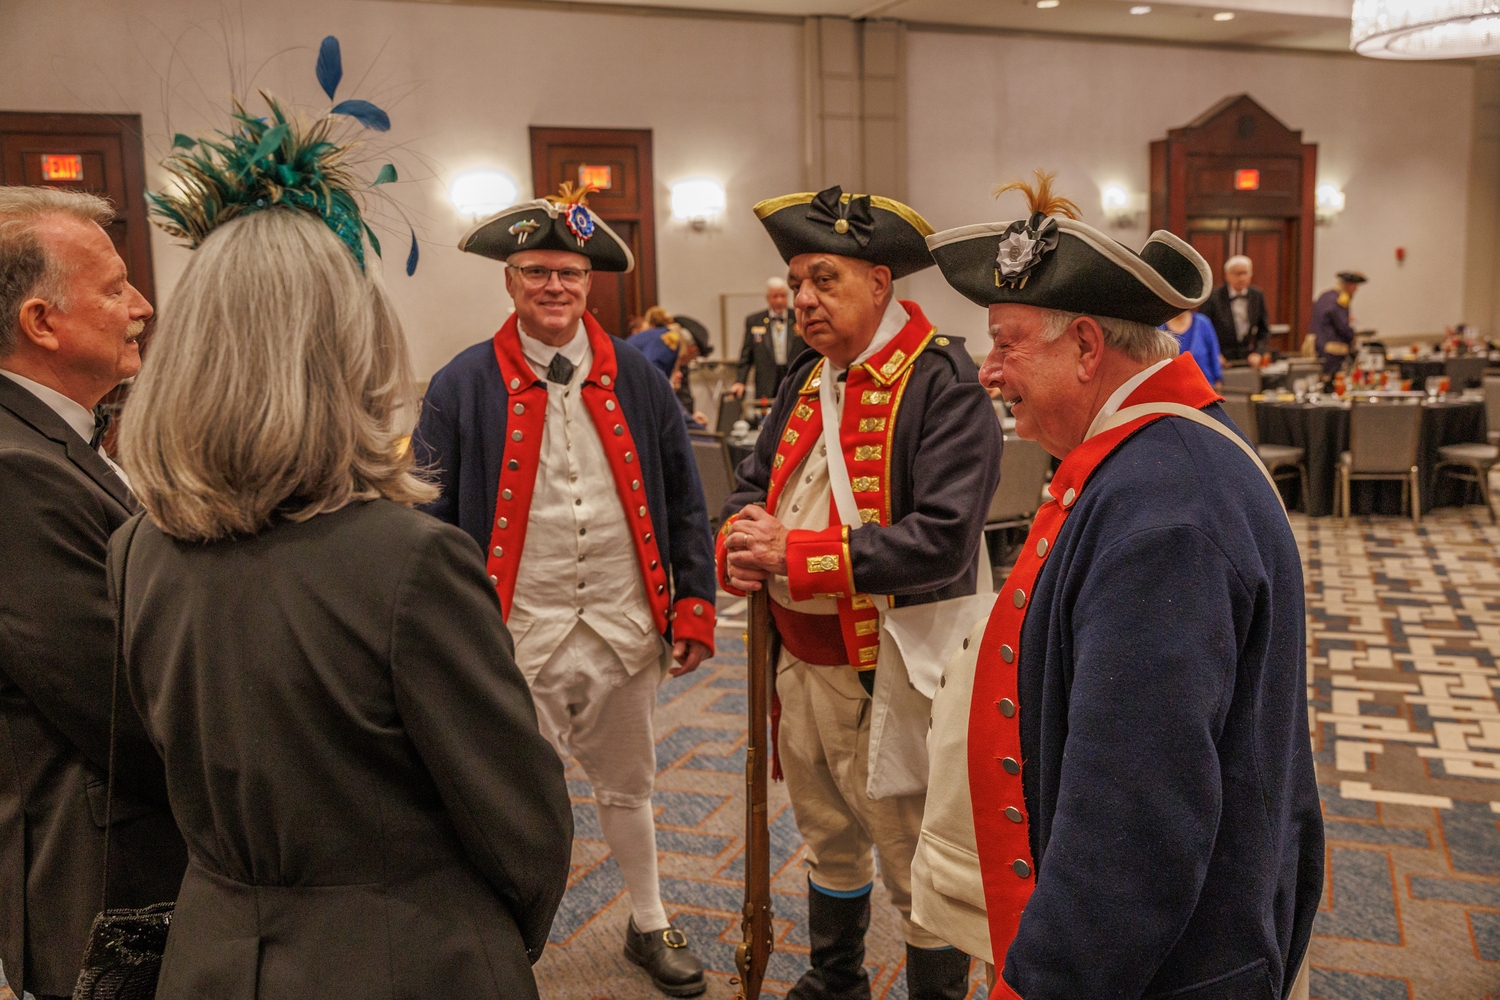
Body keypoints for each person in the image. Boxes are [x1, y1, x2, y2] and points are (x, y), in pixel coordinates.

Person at [111, 101, 573, 1000]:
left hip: (212, 953)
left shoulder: (136, 548)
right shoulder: (407, 563)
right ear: (346, 351)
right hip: (404, 956)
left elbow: (158, 770)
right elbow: (521, 824)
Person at [913, 173, 1323, 1000]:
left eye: (1006, 344)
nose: (988, 372)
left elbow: (1134, 817)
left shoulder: (1164, 510)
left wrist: (1047, 981)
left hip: (1175, 968)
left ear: (1086, 347)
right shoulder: (1153, 464)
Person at [415, 184, 718, 997]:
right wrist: (444, 634)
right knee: (509, 797)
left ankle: (649, 919)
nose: (555, 287)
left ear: (590, 284)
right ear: (509, 281)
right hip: (513, 629)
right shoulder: (459, 383)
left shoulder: (641, 379)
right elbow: (427, 520)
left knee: (631, 783)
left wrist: (694, 604)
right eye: (537, 272)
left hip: (623, 621)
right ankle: (504, 939)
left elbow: (685, 500)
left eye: (570, 274)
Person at [720, 185, 1001, 1000]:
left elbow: (942, 539)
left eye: (824, 280)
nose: (804, 300)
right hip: (796, 662)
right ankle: (836, 980)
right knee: (827, 835)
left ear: (879, 284)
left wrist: (794, 553)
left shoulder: (942, 381)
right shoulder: (808, 377)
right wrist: (739, 539)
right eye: (797, 283)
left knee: (916, 860)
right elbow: (752, 485)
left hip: (892, 672)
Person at [0, 187, 187, 1000]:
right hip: (102, 883)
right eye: (114, 289)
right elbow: (117, 705)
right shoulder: (16, 469)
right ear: (41, 322)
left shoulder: (58, 434)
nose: (141, 306)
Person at [731, 276, 807, 400]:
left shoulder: (799, 317)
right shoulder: (754, 321)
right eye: (775, 296)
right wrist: (740, 381)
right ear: (767, 298)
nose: (779, 300)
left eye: (783, 296)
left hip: (795, 379)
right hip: (766, 382)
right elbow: (746, 355)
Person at [1200, 254, 1270, 365]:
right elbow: (1203, 330)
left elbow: (1264, 330)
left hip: (1247, 358)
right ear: (1227, 275)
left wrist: (1258, 352)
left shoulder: (1257, 295)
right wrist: (1215, 354)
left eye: (1245, 273)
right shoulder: (1212, 297)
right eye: (1237, 273)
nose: (1242, 278)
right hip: (1221, 357)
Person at [1312, 270, 1366, 375]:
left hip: (1317, 345)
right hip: (1332, 348)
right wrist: (1353, 338)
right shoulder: (1341, 299)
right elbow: (1342, 326)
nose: (1356, 290)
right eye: (1355, 287)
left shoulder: (1325, 295)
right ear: (1350, 285)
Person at [1161, 309, 1222, 387]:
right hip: (1171, 389)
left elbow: (1215, 356)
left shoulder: (1203, 323)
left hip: (1205, 387)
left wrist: (1218, 381)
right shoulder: (1159, 328)